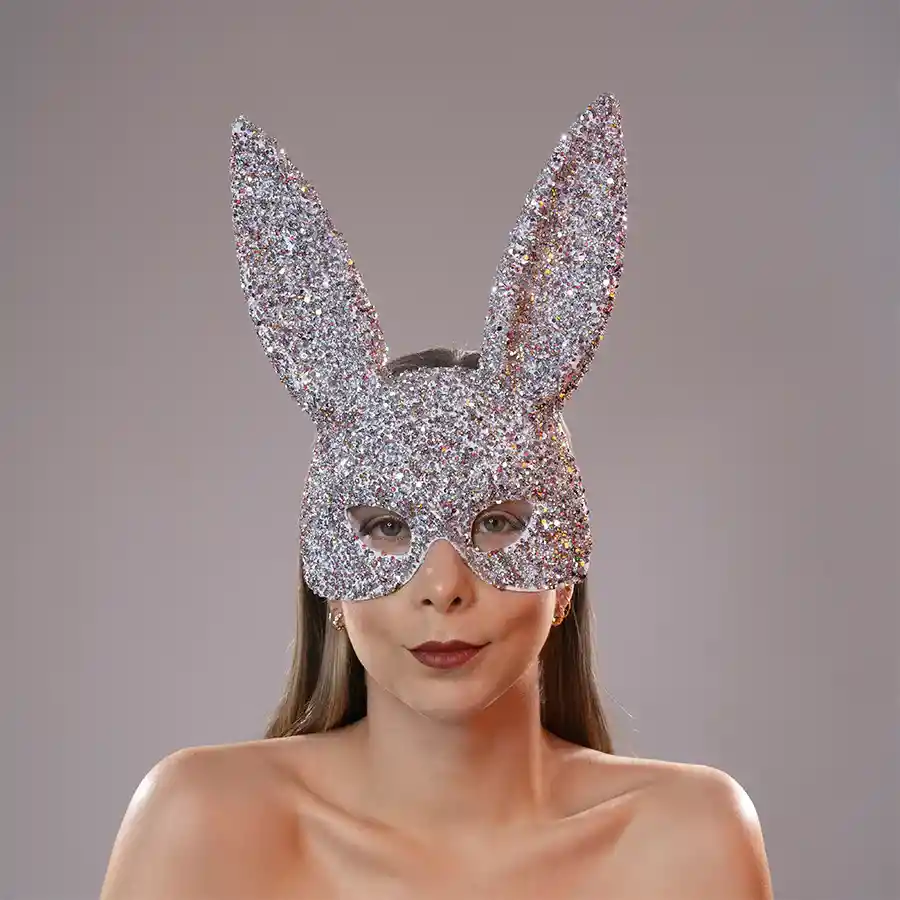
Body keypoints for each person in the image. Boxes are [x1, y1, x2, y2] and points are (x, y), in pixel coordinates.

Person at [100, 95, 773, 899]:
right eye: (388, 526)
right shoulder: (204, 823)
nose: (444, 586)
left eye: (495, 523)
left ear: (565, 579)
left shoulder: (685, 837)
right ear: (330, 585)